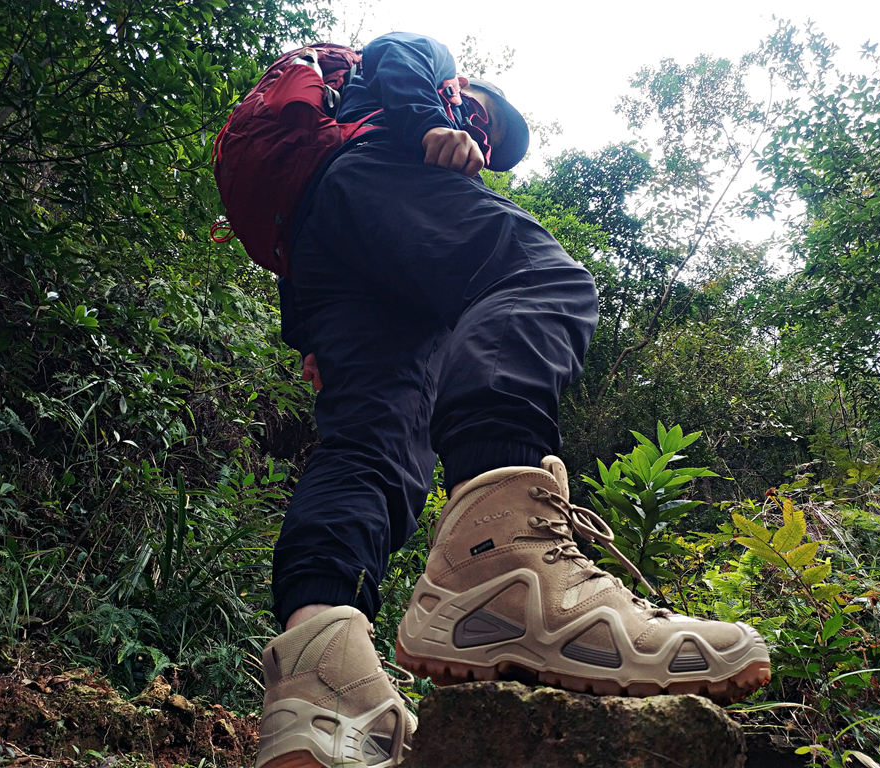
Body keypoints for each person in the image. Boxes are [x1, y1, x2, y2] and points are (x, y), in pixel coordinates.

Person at [254, 31, 770, 768]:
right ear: (474, 97)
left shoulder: (326, 155)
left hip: (326, 246)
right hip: (378, 172)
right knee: (537, 281)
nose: (478, 143)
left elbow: (295, 232)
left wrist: (308, 330)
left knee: (372, 447)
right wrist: (427, 121)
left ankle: (321, 672)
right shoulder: (424, 92)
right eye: (484, 128)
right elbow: (399, 53)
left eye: (484, 143)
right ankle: (504, 569)